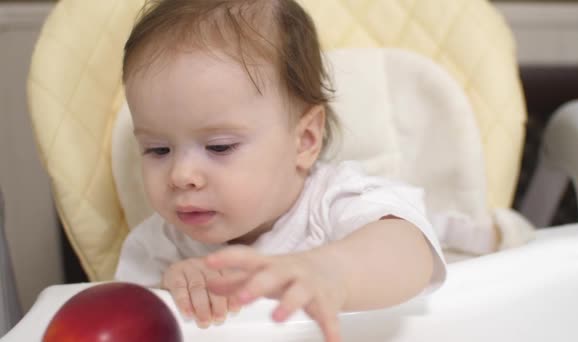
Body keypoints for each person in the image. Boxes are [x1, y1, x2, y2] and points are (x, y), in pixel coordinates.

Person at [115, 0, 446, 340]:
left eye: (219, 147)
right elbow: (124, 320)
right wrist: (171, 291)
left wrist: (330, 271)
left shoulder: (333, 203)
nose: (181, 175)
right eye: (157, 149)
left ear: (304, 140)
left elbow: (410, 254)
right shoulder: (160, 246)